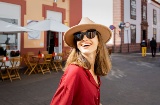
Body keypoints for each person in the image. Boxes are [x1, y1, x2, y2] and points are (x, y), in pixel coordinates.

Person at [50, 17, 112, 105]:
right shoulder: (75, 72)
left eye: (90, 33)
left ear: (99, 40)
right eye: (78, 36)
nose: (84, 39)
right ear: (76, 43)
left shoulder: (94, 70)